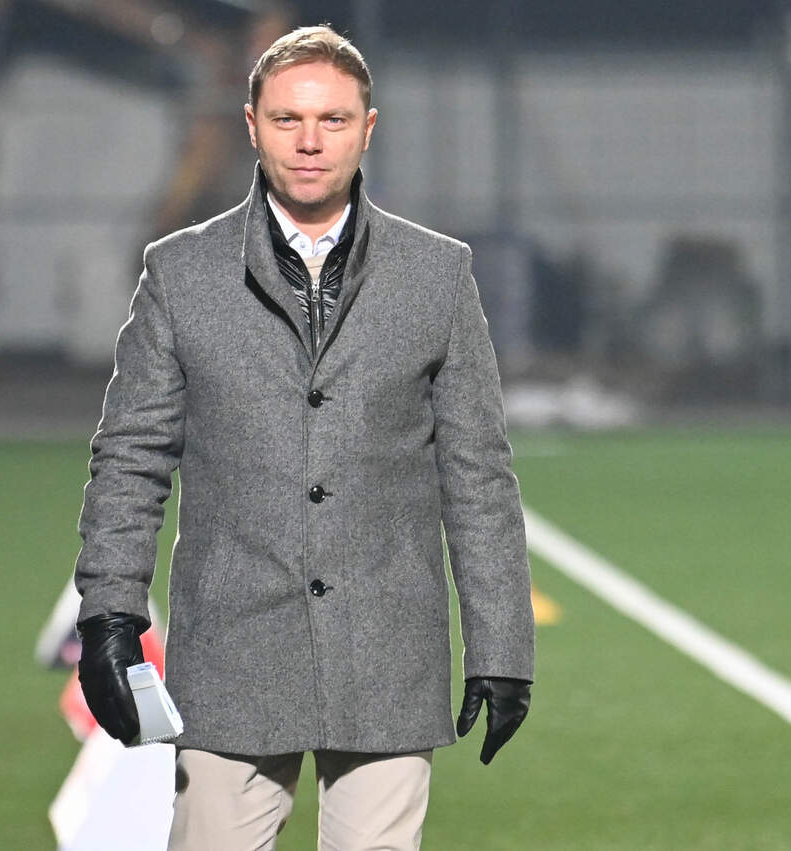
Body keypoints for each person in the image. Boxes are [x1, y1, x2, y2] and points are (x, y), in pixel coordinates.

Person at [71, 25, 535, 850]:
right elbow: (130, 459)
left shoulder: (435, 275)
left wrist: (501, 646)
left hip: (387, 650)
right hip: (233, 650)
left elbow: (478, 476)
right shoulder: (183, 274)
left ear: (368, 128)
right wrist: (110, 613)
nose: (311, 141)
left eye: (333, 119)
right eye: (288, 119)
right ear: (252, 126)